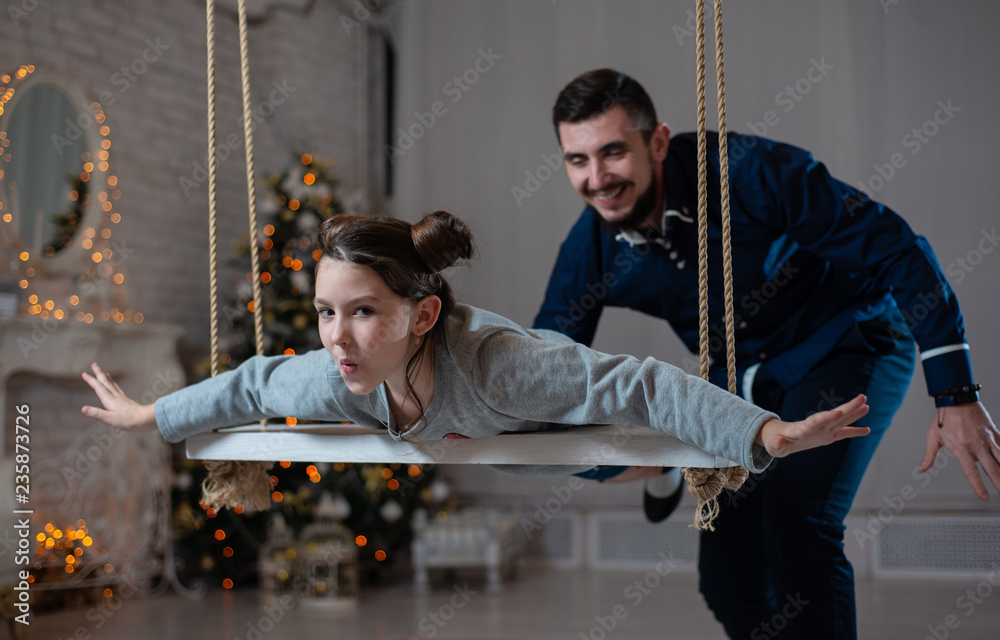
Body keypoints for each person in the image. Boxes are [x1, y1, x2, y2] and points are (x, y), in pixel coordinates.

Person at [534, 68, 1000, 639]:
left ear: (656, 142)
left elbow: (896, 249)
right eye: (577, 161)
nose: (597, 178)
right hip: (741, 383)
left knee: (796, 520)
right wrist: (632, 460)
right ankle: (671, 463)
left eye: (612, 153)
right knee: (728, 575)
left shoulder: (747, 172)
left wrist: (955, 392)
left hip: (848, 342)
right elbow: (545, 372)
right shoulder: (591, 247)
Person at [81, 211, 871, 502]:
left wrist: (768, 435)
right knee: (573, 467)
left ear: (423, 313)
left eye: (363, 313)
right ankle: (653, 472)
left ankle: (666, 467)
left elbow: (638, 382)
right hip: (494, 443)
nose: (337, 337)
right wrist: (150, 412)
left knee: (603, 448)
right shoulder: (335, 372)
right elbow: (253, 382)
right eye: (326, 312)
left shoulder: (502, 366)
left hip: (532, 407)